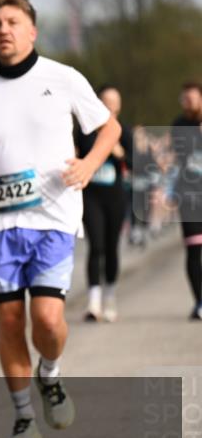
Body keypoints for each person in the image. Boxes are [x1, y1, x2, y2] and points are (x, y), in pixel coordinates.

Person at [0, 0, 120, 438]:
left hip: (54, 216)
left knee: (46, 319)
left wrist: (88, 163)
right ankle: (24, 416)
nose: (3, 29)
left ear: (32, 31)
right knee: (8, 322)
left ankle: (51, 372)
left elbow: (110, 129)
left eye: (13, 22)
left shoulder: (62, 78)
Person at [77, 85, 133, 323]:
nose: (110, 105)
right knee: (96, 246)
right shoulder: (84, 130)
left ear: (119, 106)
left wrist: (120, 153)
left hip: (115, 196)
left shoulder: (124, 131)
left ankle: (109, 296)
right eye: (106, 100)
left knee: (111, 247)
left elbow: (138, 164)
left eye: (114, 101)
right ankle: (93, 301)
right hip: (91, 195)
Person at [169, 80, 202, 321]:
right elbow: (180, 154)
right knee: (193, 249)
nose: (187, 103)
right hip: (189, 195)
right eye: (184, 99)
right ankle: (199, 301)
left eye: (191, 98)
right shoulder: (179, 124)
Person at [128, 126, 156, 248]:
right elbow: (131, 164)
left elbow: (152, 165)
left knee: (146, 207)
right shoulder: (131, 149)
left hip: (146, 182)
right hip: (135, 182)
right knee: (134, 208)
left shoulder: (148, 149)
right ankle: (135, 232)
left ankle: (144, 231)